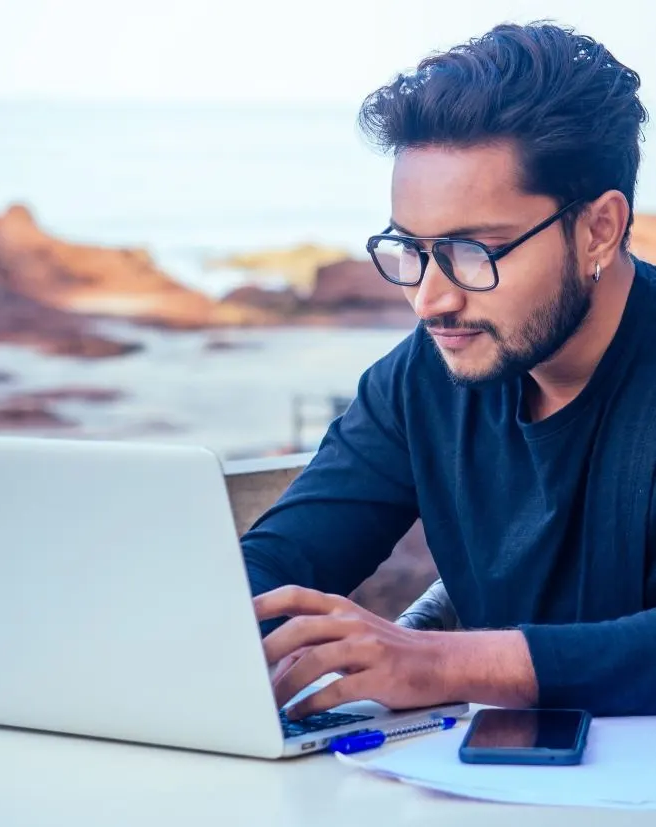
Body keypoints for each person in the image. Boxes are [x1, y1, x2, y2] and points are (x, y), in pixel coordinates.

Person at [241, 21, 656, 720]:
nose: (431, 297)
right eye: (411, 248)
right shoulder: (419, 379)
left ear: (598, 230)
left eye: (472, 250)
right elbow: (282, 564)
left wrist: (442, 661)